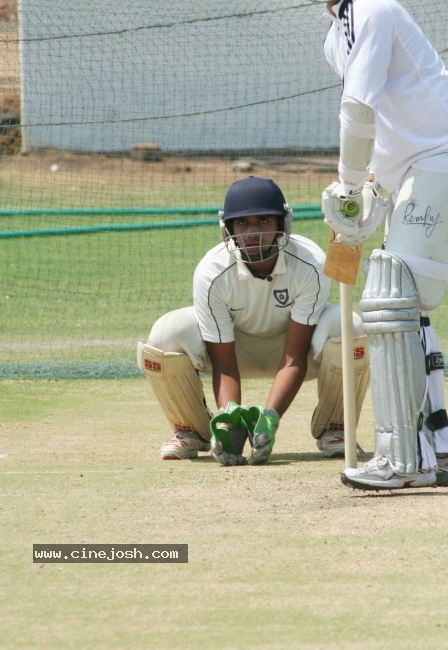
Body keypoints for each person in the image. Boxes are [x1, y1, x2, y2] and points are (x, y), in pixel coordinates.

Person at [294, 0, 448, 490]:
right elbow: (384, 127)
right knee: (406, 306)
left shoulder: (373, 10)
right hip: (418, 167)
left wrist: (348, 184)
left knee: (393, 299)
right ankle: (444, 454)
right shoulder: (337, 32)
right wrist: (371, 195)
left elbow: (357, 110)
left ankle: (404, 460)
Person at [137, 176, 370, 466]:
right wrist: (230, 420)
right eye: (243, 223)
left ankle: (336, 428)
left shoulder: (310, 262)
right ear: (228, 227)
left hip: (297, 351)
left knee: (351, 325)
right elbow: (224, 364)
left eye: (263, 220)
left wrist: (270, 418)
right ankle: (192, 430)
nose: (253, 232)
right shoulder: (211, 272)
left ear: (283, 223)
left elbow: (294, 357)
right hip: (235, 351)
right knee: (164, 334)